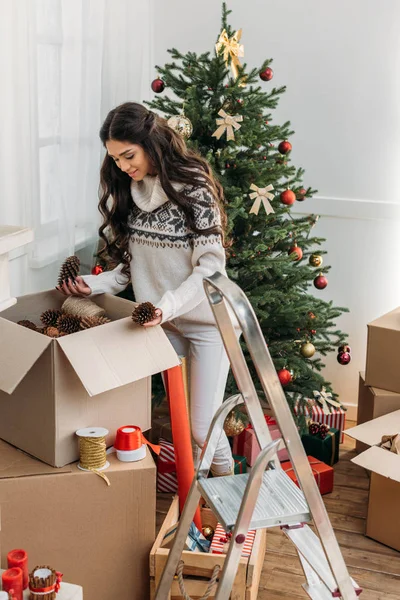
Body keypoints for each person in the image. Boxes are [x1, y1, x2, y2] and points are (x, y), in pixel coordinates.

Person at [57, 102, 237, 476]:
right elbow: (130, 269)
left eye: (128, 155)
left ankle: (230, 495)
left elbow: (210, 269)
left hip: (207, 322)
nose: (123, 167)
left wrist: (165, 307)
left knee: (203, 427)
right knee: (157, 411)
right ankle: (192, 493)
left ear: (151, 142)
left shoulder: (194, 188)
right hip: (161, 325)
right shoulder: (133, 191)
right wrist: (92, 284)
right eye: (116, 159)